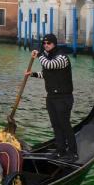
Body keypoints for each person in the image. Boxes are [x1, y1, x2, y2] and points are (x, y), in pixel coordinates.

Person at [29, 33, 77, 161]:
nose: (46, 45)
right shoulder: (49, 57)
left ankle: (73, 152)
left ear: (54, 44)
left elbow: (50, 65)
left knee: (65, 125)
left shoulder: (62, 58)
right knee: (56, 125)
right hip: (51, 97)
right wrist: (32, 74)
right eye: (44, 43)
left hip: (63, 97)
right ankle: (60, 150)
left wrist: (39, 54)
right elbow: (46, 74)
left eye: (48, 43)